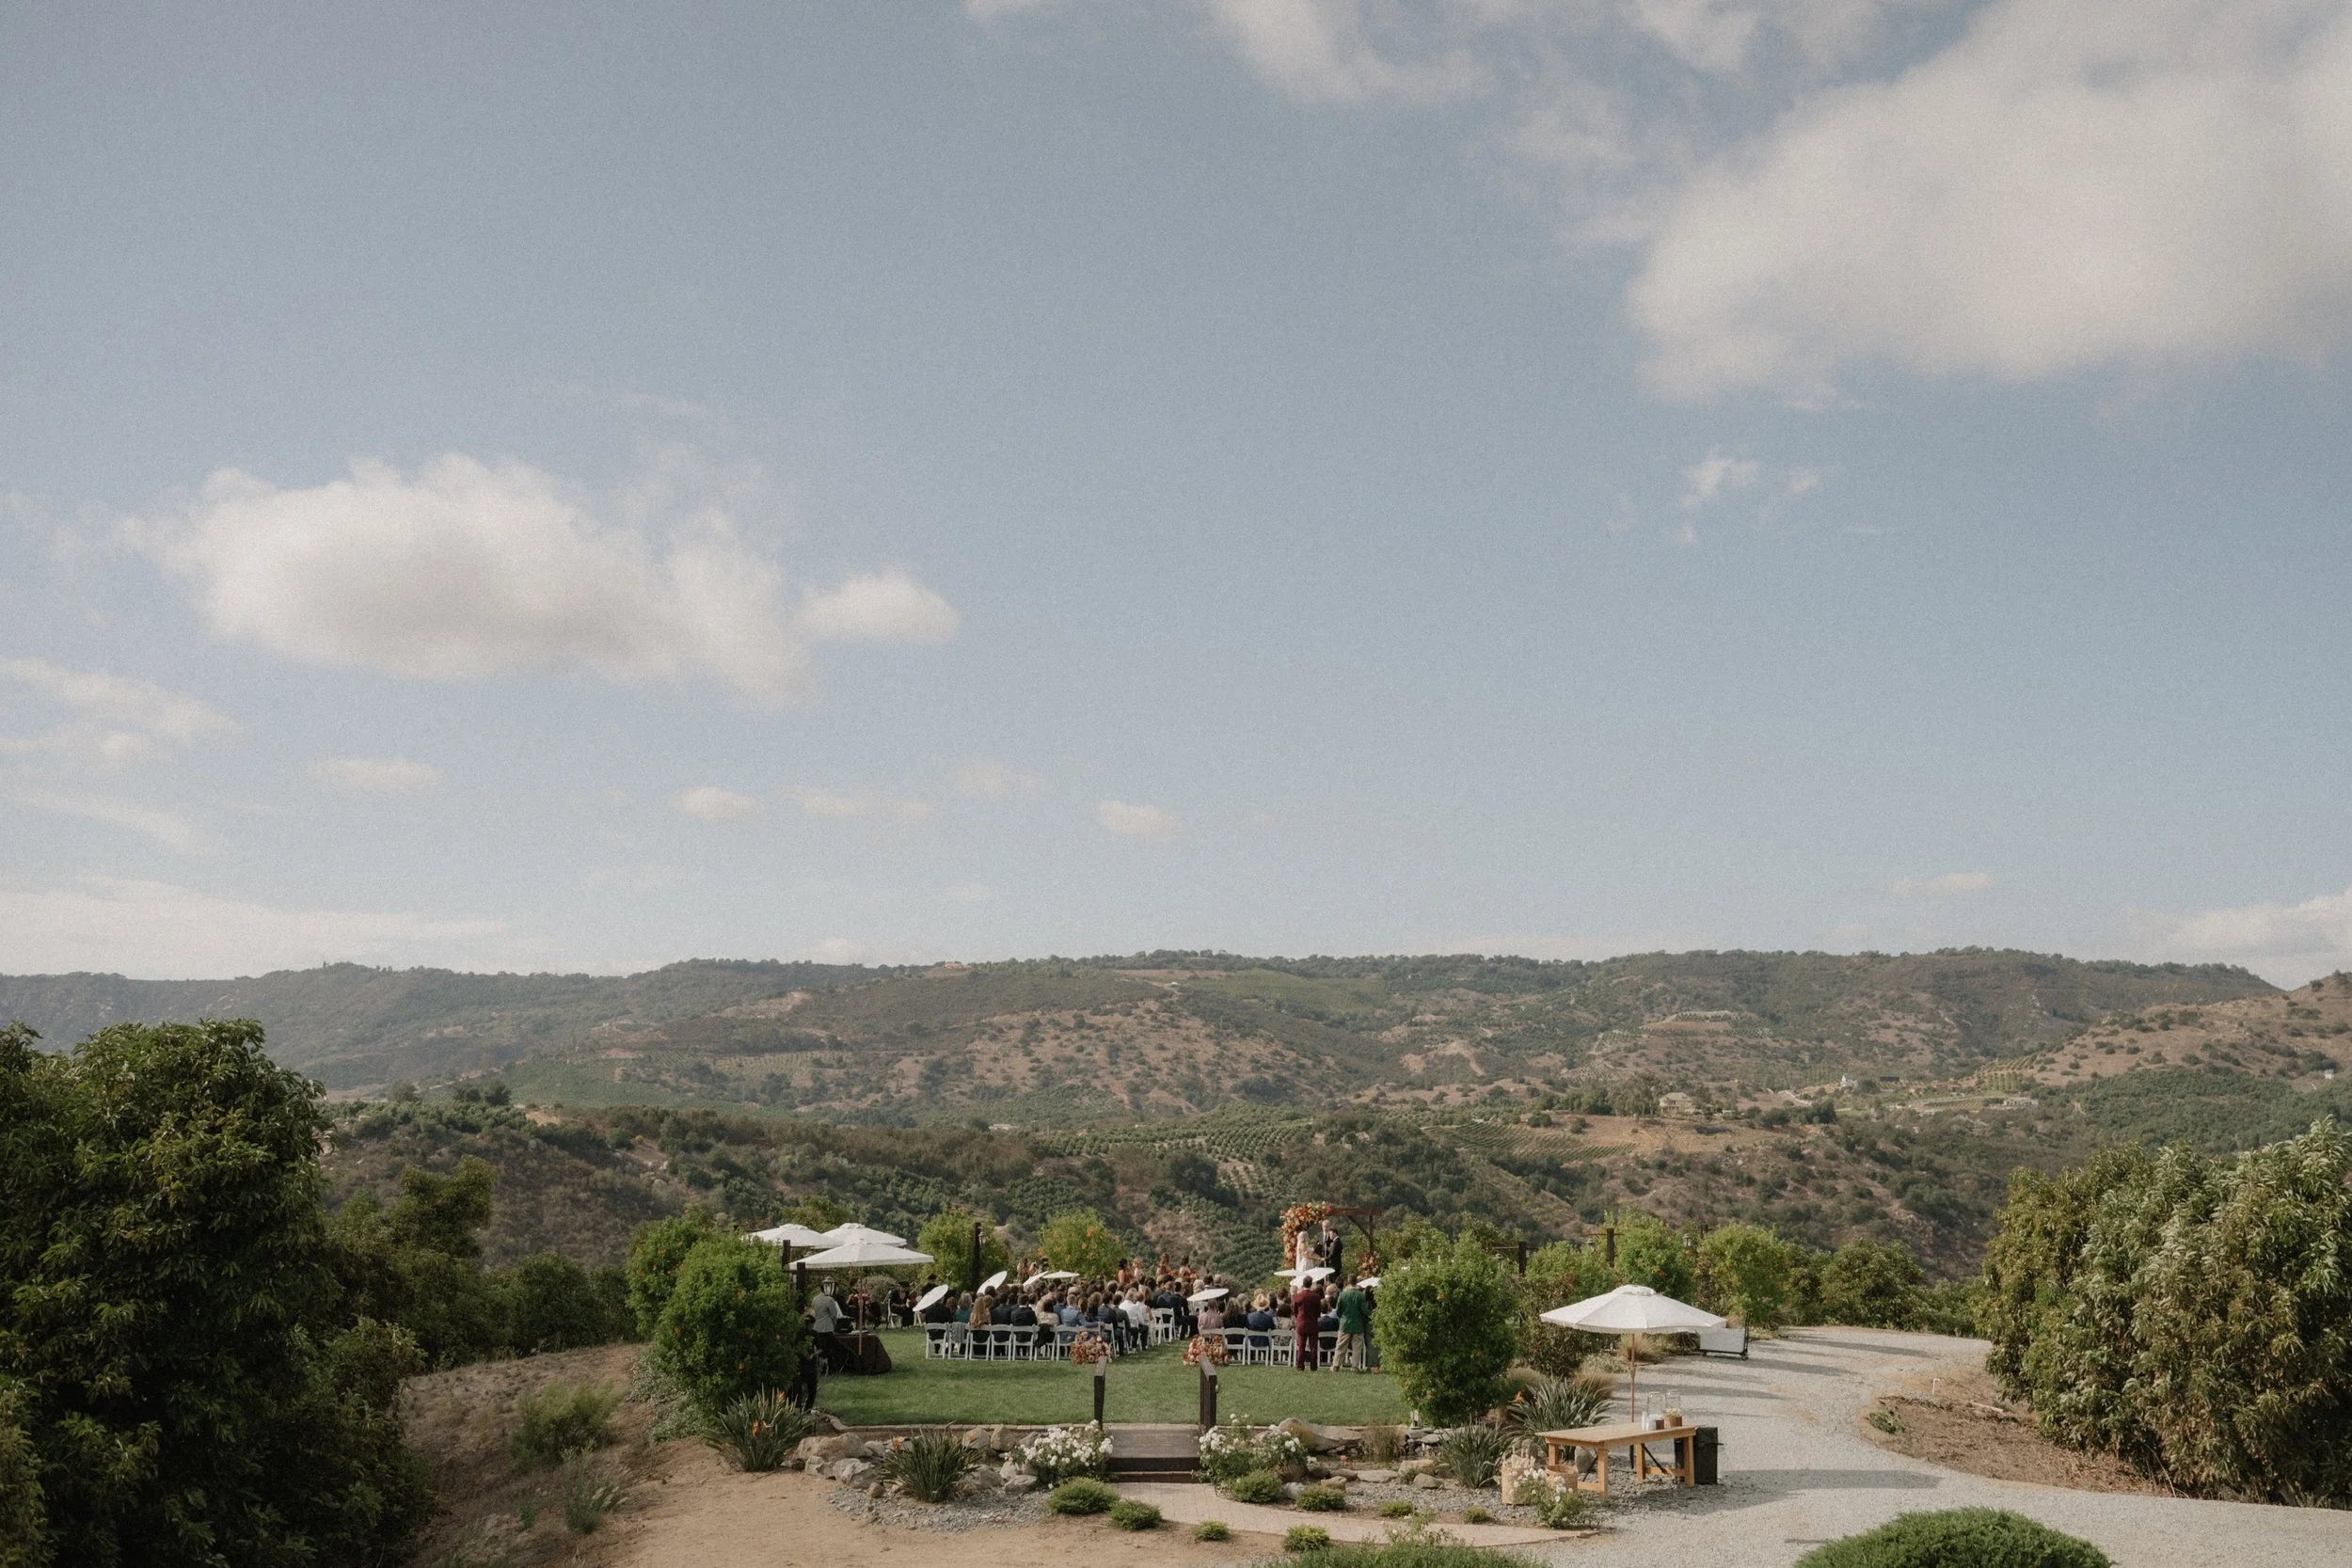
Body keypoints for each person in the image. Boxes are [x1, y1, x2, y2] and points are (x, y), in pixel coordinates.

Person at [1333, 1277, 1371, 1371]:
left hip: (1345, 1323)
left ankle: (1336, 1365)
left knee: (1341, 1346)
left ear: (1348, 1282)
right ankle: (1355, 1366)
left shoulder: (1342, 1294)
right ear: (1356, 1282)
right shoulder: (1361, 1295)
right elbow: (1364, 1311)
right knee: (1357, 1347)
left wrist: (1343, 1316)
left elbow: (1338, 1311)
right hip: (1358, 1324)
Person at [1292, 1281, 1322, 1371]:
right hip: (1312, 1323)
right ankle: (1313, 1366)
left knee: (1301, 1345)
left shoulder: (1298, 1296)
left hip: (1301, 1323)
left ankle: (1300, 1365)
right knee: (1313, 1346)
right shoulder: (1316, 1297)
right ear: (1311, 1284)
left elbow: (1294, 1310)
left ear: (1303, 1284)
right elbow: (1318, 1311)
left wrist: (1299, 1317)